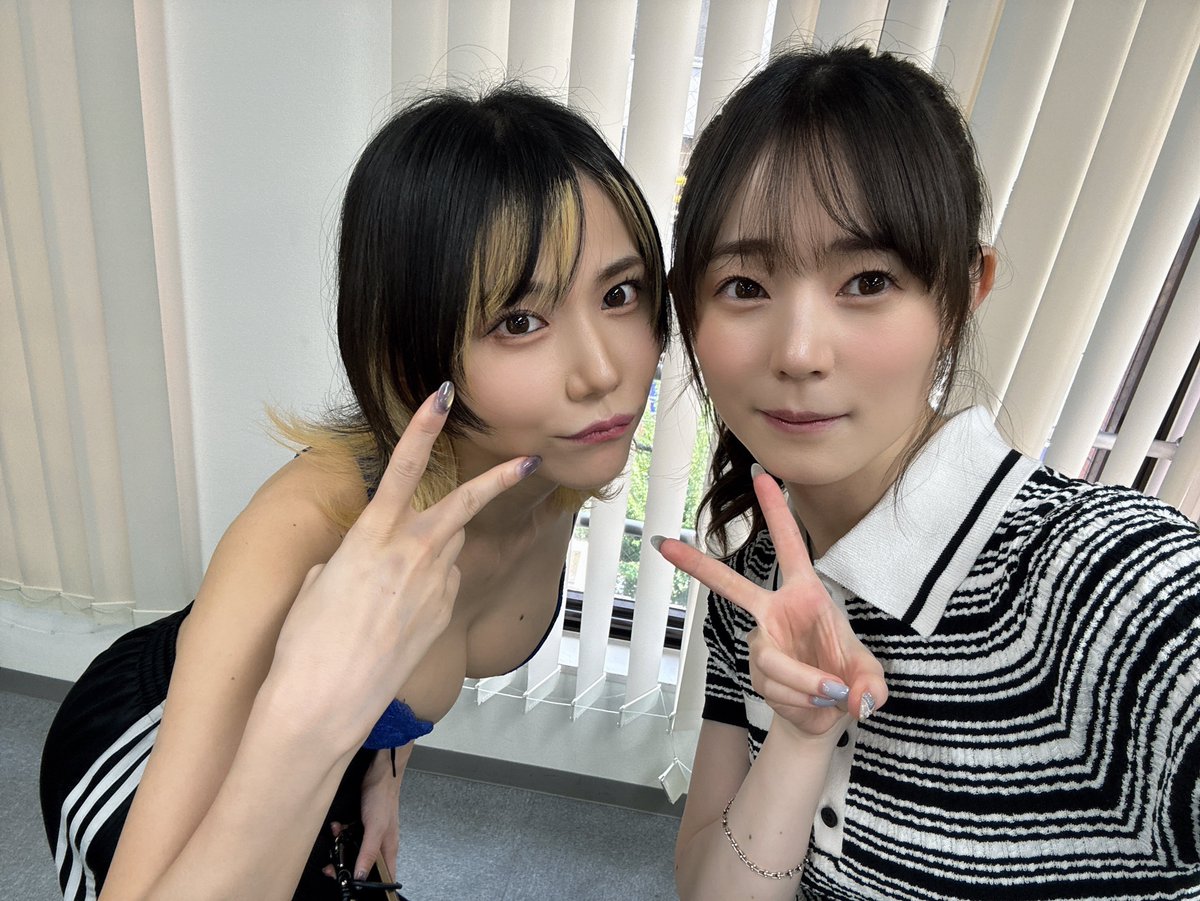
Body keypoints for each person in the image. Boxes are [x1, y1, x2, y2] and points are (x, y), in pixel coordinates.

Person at [40, 84, 668, 901]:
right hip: (147, 748)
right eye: (519, 320)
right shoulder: (301, 530)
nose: (604, 370)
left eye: (619, 294)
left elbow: (420, 636)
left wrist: (383, 760)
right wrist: (320, 737)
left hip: (322, 747)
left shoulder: (550, 460)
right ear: (412, 346)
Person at [655, 45, 1200, 900]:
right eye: (745, 285)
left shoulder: (1114, 585)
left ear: (962, 294)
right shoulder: (755, 586)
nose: (799, 352)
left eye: (868, 280)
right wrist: (798, 737)